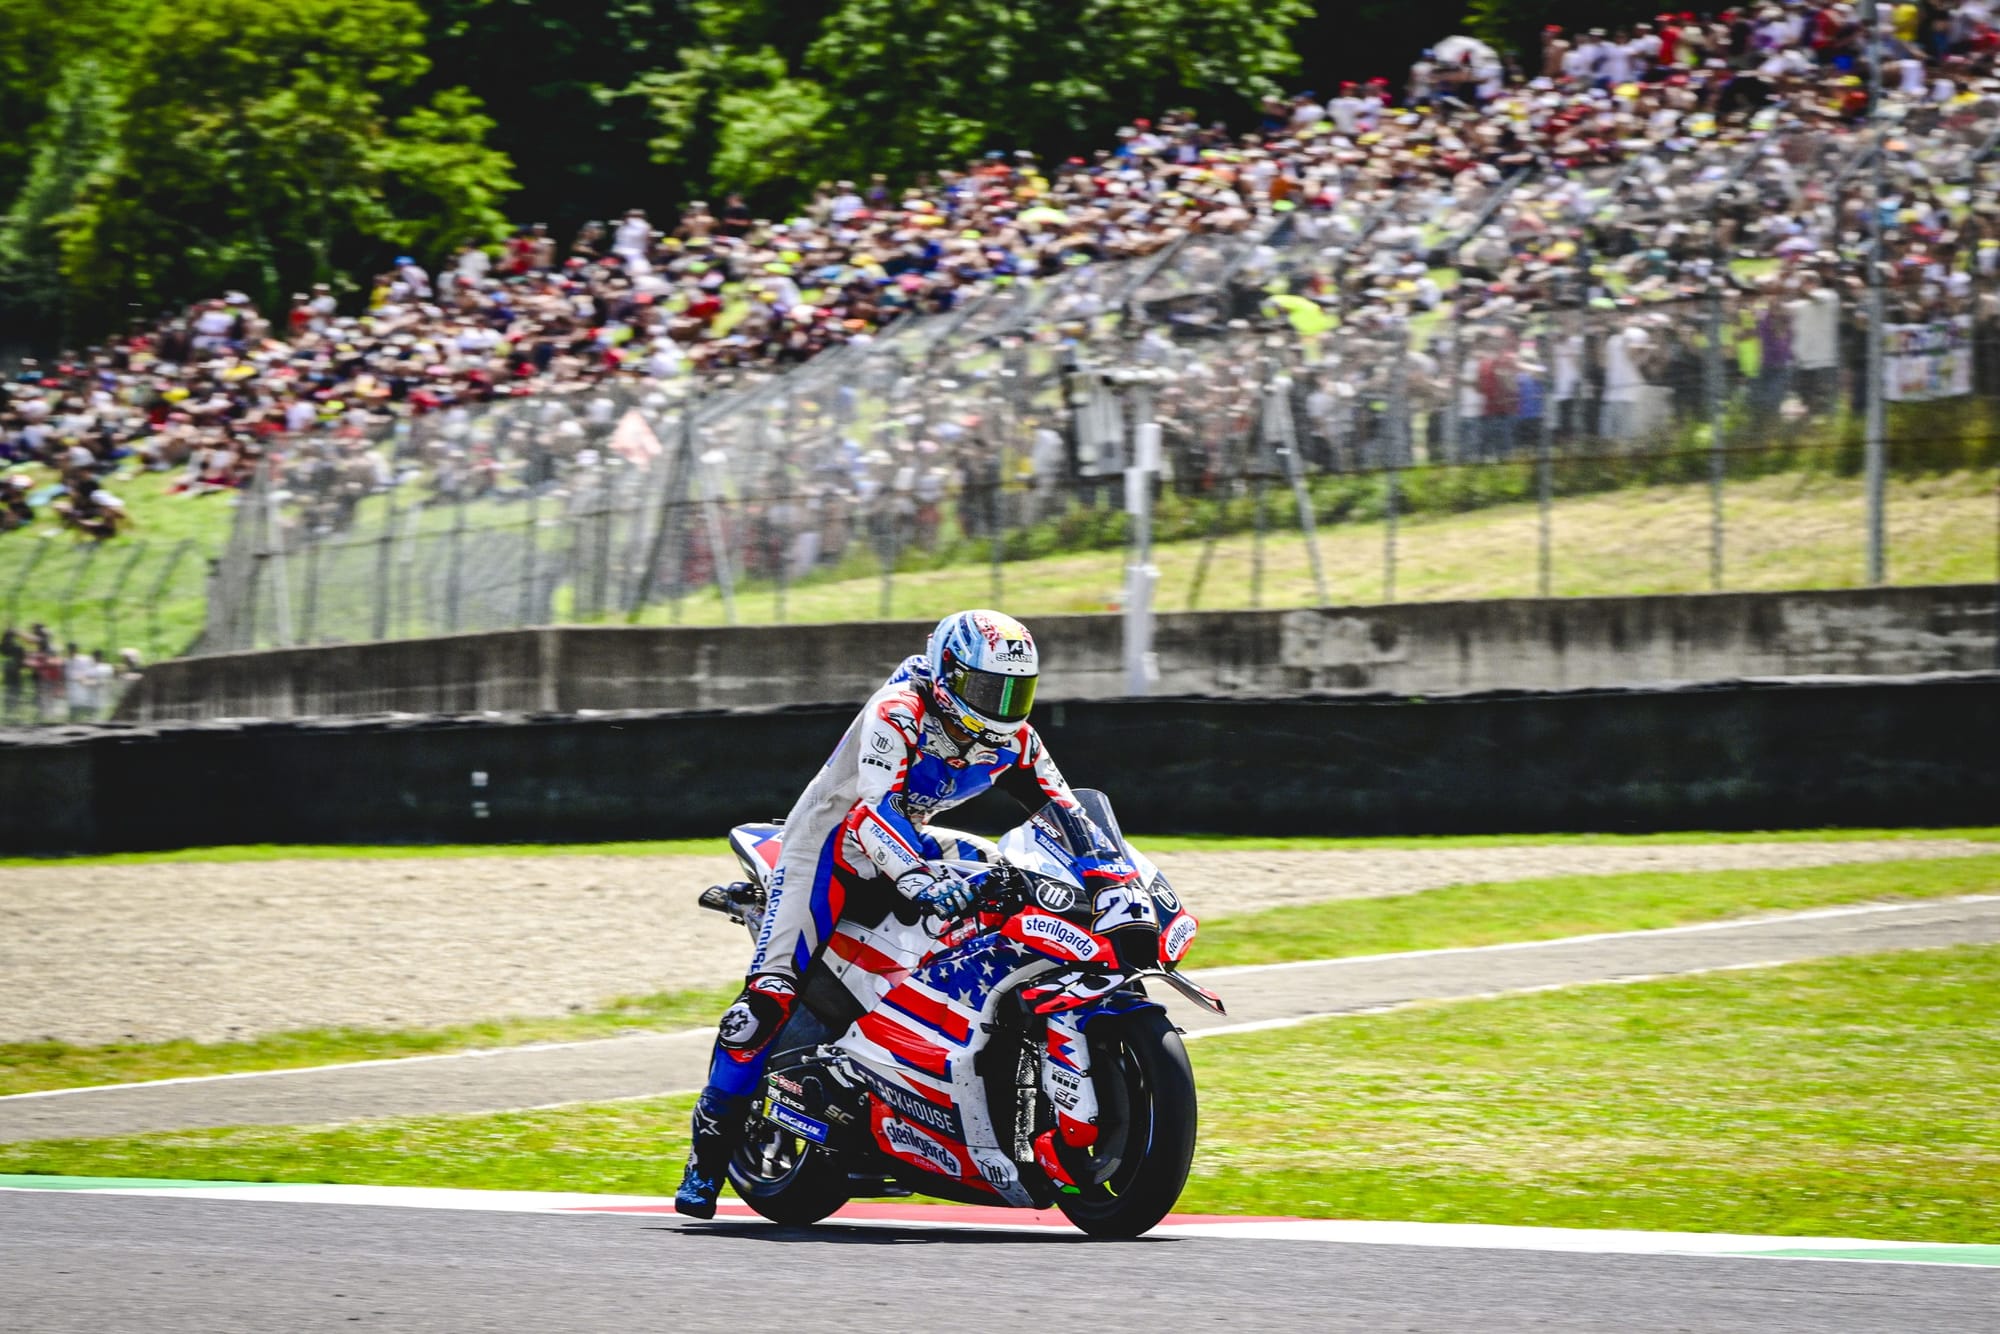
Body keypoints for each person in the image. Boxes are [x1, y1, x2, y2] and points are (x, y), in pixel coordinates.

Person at [675, 609, 1081, 1217]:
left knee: (1006, 878)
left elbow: (1069, 817)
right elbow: (872, 811)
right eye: (987, 688)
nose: (1001, 705)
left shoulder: (1016, 738)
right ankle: (706, 1161)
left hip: (907, 839)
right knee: (765, 1003)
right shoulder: (900, 709)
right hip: (828, 847)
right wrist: (918, 878)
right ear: (949, 673)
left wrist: (1107, 876)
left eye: (1014, 691)